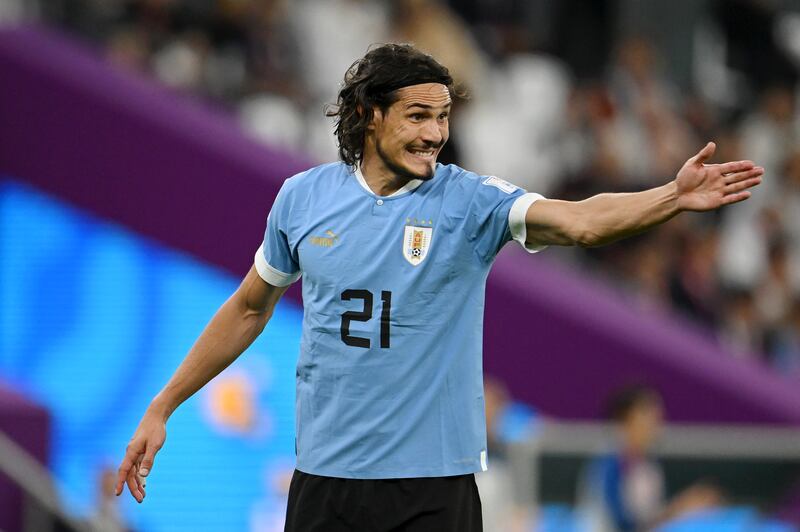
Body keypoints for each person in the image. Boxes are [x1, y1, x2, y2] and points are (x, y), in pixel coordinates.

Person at [115, 44, 763, 531]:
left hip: (433, 489)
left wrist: (670, 198)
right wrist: (162, 406)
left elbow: (581, 222)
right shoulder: (302, 200)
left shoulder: (470, 203)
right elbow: (249, 308)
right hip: (326, 483)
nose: (434, 134)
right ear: (369, 116)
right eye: (418, 115)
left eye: (444, 117)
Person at [577, 385, 722, 532]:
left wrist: (685, 509)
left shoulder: (648, 465)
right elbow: (624, 523)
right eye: (647, 413)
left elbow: (649, 520)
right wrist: (680, 508)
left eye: (657, 413)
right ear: (626, 417)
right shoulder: (609, 463)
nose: (656, 420)